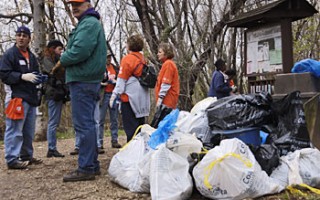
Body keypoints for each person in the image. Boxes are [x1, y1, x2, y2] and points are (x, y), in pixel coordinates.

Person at [53, 0, 106, 182]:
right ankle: (91, 164)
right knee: (88, 123)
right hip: (86, 80)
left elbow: (79, 51)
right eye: (72, 4)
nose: (74, 7)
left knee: (84, 125)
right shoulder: (88, 23)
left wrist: (62, 59)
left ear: (88, 4)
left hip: (83, 80)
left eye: (78, 3)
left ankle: (86, 167)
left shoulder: (89, 23)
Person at [0, 25, 43, 169]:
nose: (21, 38)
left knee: (28, 131)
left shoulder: (32, 56)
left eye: (24, 35)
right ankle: (12, 159)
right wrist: (21, 76)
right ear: (16, 37)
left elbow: (36, 74)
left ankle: (26, 155)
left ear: (29, 39)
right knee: (14, 129)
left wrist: (40, 79)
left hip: (30, 98)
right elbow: (4, 74)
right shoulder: (9, 55)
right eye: (19, 35)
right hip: (16, 97)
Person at [110, 34, 150, 142]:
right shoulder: (143, 59)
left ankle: (132, 153)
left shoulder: (127, 59)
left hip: (130, 99)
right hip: (143, 99)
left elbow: (121, 81)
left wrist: (114, 95)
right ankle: (141, 152)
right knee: (140, 127)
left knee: (131, 130)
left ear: (130, 45)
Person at [42, 40, 66, 158]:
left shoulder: (56, 60)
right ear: (52, 48)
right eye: (59, 49)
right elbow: (52, 73)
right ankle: (51, 148)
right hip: (53, 93)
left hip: (58, 93)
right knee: (53, 122)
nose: (61, 51)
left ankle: (52, 147)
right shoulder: (47, 60)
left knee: (54, 121)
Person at [151, 43, 180, 128]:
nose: (158, 54)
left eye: (160, 52)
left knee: (160, 127)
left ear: (166, 53)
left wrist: (160, 98)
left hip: (167, 102)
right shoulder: (167, 64)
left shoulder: (168, 64)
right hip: (167, 102)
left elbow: (166, 83)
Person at [99, 53, 121, 151]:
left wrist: (116, 82)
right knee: (100, 120)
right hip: (103, 95)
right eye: (106, 57)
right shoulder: (99, 68)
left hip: (113, 94)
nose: (108, 59)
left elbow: (121, 80)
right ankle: (99, 142)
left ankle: (114, 140)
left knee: (114, 119)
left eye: (109, 57)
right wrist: (104, 83)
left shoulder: (116, 68)